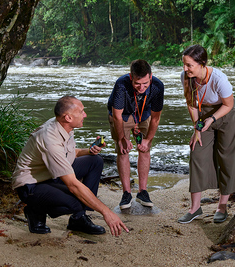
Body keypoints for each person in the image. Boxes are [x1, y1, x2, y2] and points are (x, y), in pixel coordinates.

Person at [12, 96, 129, 237]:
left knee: (95, 161)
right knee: (78, 201)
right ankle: (35, 210)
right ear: (67, 117)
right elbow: (73, 185)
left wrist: (89, 150)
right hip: (31, 185)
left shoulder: (63, 126)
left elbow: (70, 153)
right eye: (81, 111)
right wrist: (106, 212)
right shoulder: (50, 139)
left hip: (50, 175)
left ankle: (78, 219)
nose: (85, 115)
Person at [177, 44, 235, 224]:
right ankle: (195, 208)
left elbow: (228, 104)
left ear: (202, 63)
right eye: (184, 65)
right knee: (197, 152)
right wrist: (197, 129)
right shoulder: (186, 77)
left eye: (189, 65)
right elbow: (191, 104)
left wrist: (212, 119)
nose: (185, 69)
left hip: (226, 114)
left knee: (227, 158)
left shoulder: (219, 79)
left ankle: (222, 206)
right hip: (203, 115)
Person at [107, 59, 164, 209]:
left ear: (150, 77)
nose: (142, 87)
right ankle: (126, 193)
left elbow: (156, 118)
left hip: (143, 114)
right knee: (123, 150)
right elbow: (117, 115)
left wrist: (148, 140)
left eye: (145, 83)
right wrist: (121, 139)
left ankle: (142, 191)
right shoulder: (121, 84)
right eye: (138, 84)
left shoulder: (157, 86)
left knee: (144, 149)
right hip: (123, 116)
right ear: (131, 77)